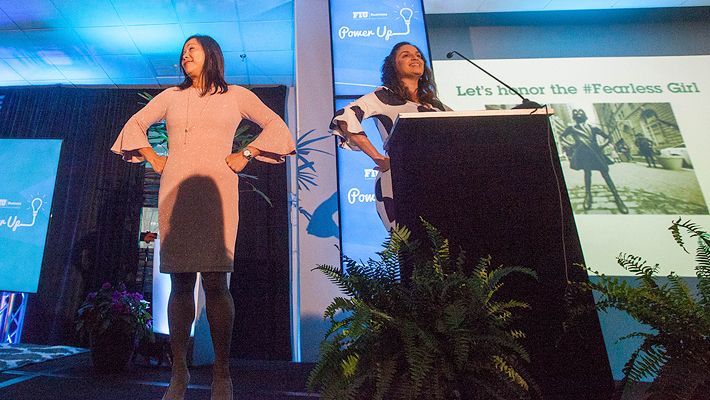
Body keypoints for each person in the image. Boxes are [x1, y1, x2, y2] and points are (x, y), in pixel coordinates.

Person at [111, 34, 295, 400]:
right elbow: (134, 125)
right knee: (180, 282)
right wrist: (153, 156)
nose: (184, 57)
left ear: (211, 54)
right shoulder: (171, 97)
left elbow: (277, 126)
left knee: (215, 281)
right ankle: (178, 372)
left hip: (217, 189)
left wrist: (248, 152)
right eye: (182, 53)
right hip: (177, 191)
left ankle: (222, 372)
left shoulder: (237, 95)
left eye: (191, 50)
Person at [329, 41, 450, 230]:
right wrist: (377, 157)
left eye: (418, 54)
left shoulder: (435, 105)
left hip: (440, 181)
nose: (415, 57)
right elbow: (345, 116)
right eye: (406, 55)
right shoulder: (384, 97)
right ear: (393, 66)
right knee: (411, 248)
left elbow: (464, 129)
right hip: (399, 182)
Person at [560, 109, 628, 214]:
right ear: (574, 117)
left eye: (581, 113)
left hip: (596, 153)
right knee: (587, 173)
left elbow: (608, 138)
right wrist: (571, 145)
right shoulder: (571, 128)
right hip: (584, 154)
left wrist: (602, 145)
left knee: (605, 174)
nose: (578, 115)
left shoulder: (593, 128)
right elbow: (562, 137)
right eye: (576, 114)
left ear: (585, 116)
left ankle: (617, 197)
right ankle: (588, 195)